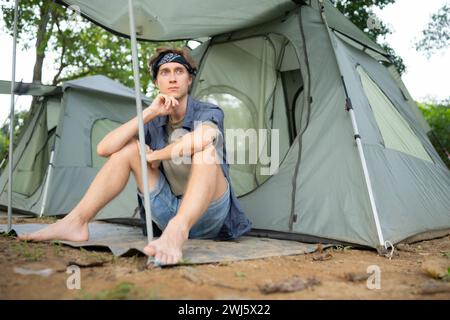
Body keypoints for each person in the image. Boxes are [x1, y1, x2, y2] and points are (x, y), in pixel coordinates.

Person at [19, 47, 252, 266]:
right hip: (167, 209)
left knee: (207, 151)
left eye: (179, 71)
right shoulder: (154, 120)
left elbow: (202, 140)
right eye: (165, 72)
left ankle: (177, 231)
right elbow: (104, 148)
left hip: (210, 213)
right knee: (129, 149)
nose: (172, 78)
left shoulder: (208, 111)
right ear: (156, 81)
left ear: (189, 79)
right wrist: (149, 112)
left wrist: (155, 156)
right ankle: (75, 222)